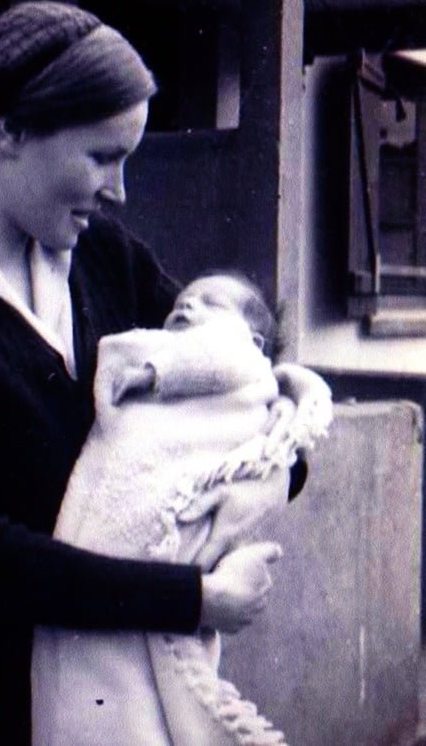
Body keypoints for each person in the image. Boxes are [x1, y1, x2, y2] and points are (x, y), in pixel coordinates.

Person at [0, 1, 309, 746]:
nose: (120, 189)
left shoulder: (105, 258)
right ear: (10, 132)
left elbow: (233, 378)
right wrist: (190, 597)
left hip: (118, 703)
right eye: (102, 156)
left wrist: (287, 413)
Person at [32, 272, 332, 746]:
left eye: (209, 303)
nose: (186, 306)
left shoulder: (236, 361)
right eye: (185, 301)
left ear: (254, 342)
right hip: (103, 567)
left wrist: (154, 373)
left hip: (143, 555)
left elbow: (219, 360)